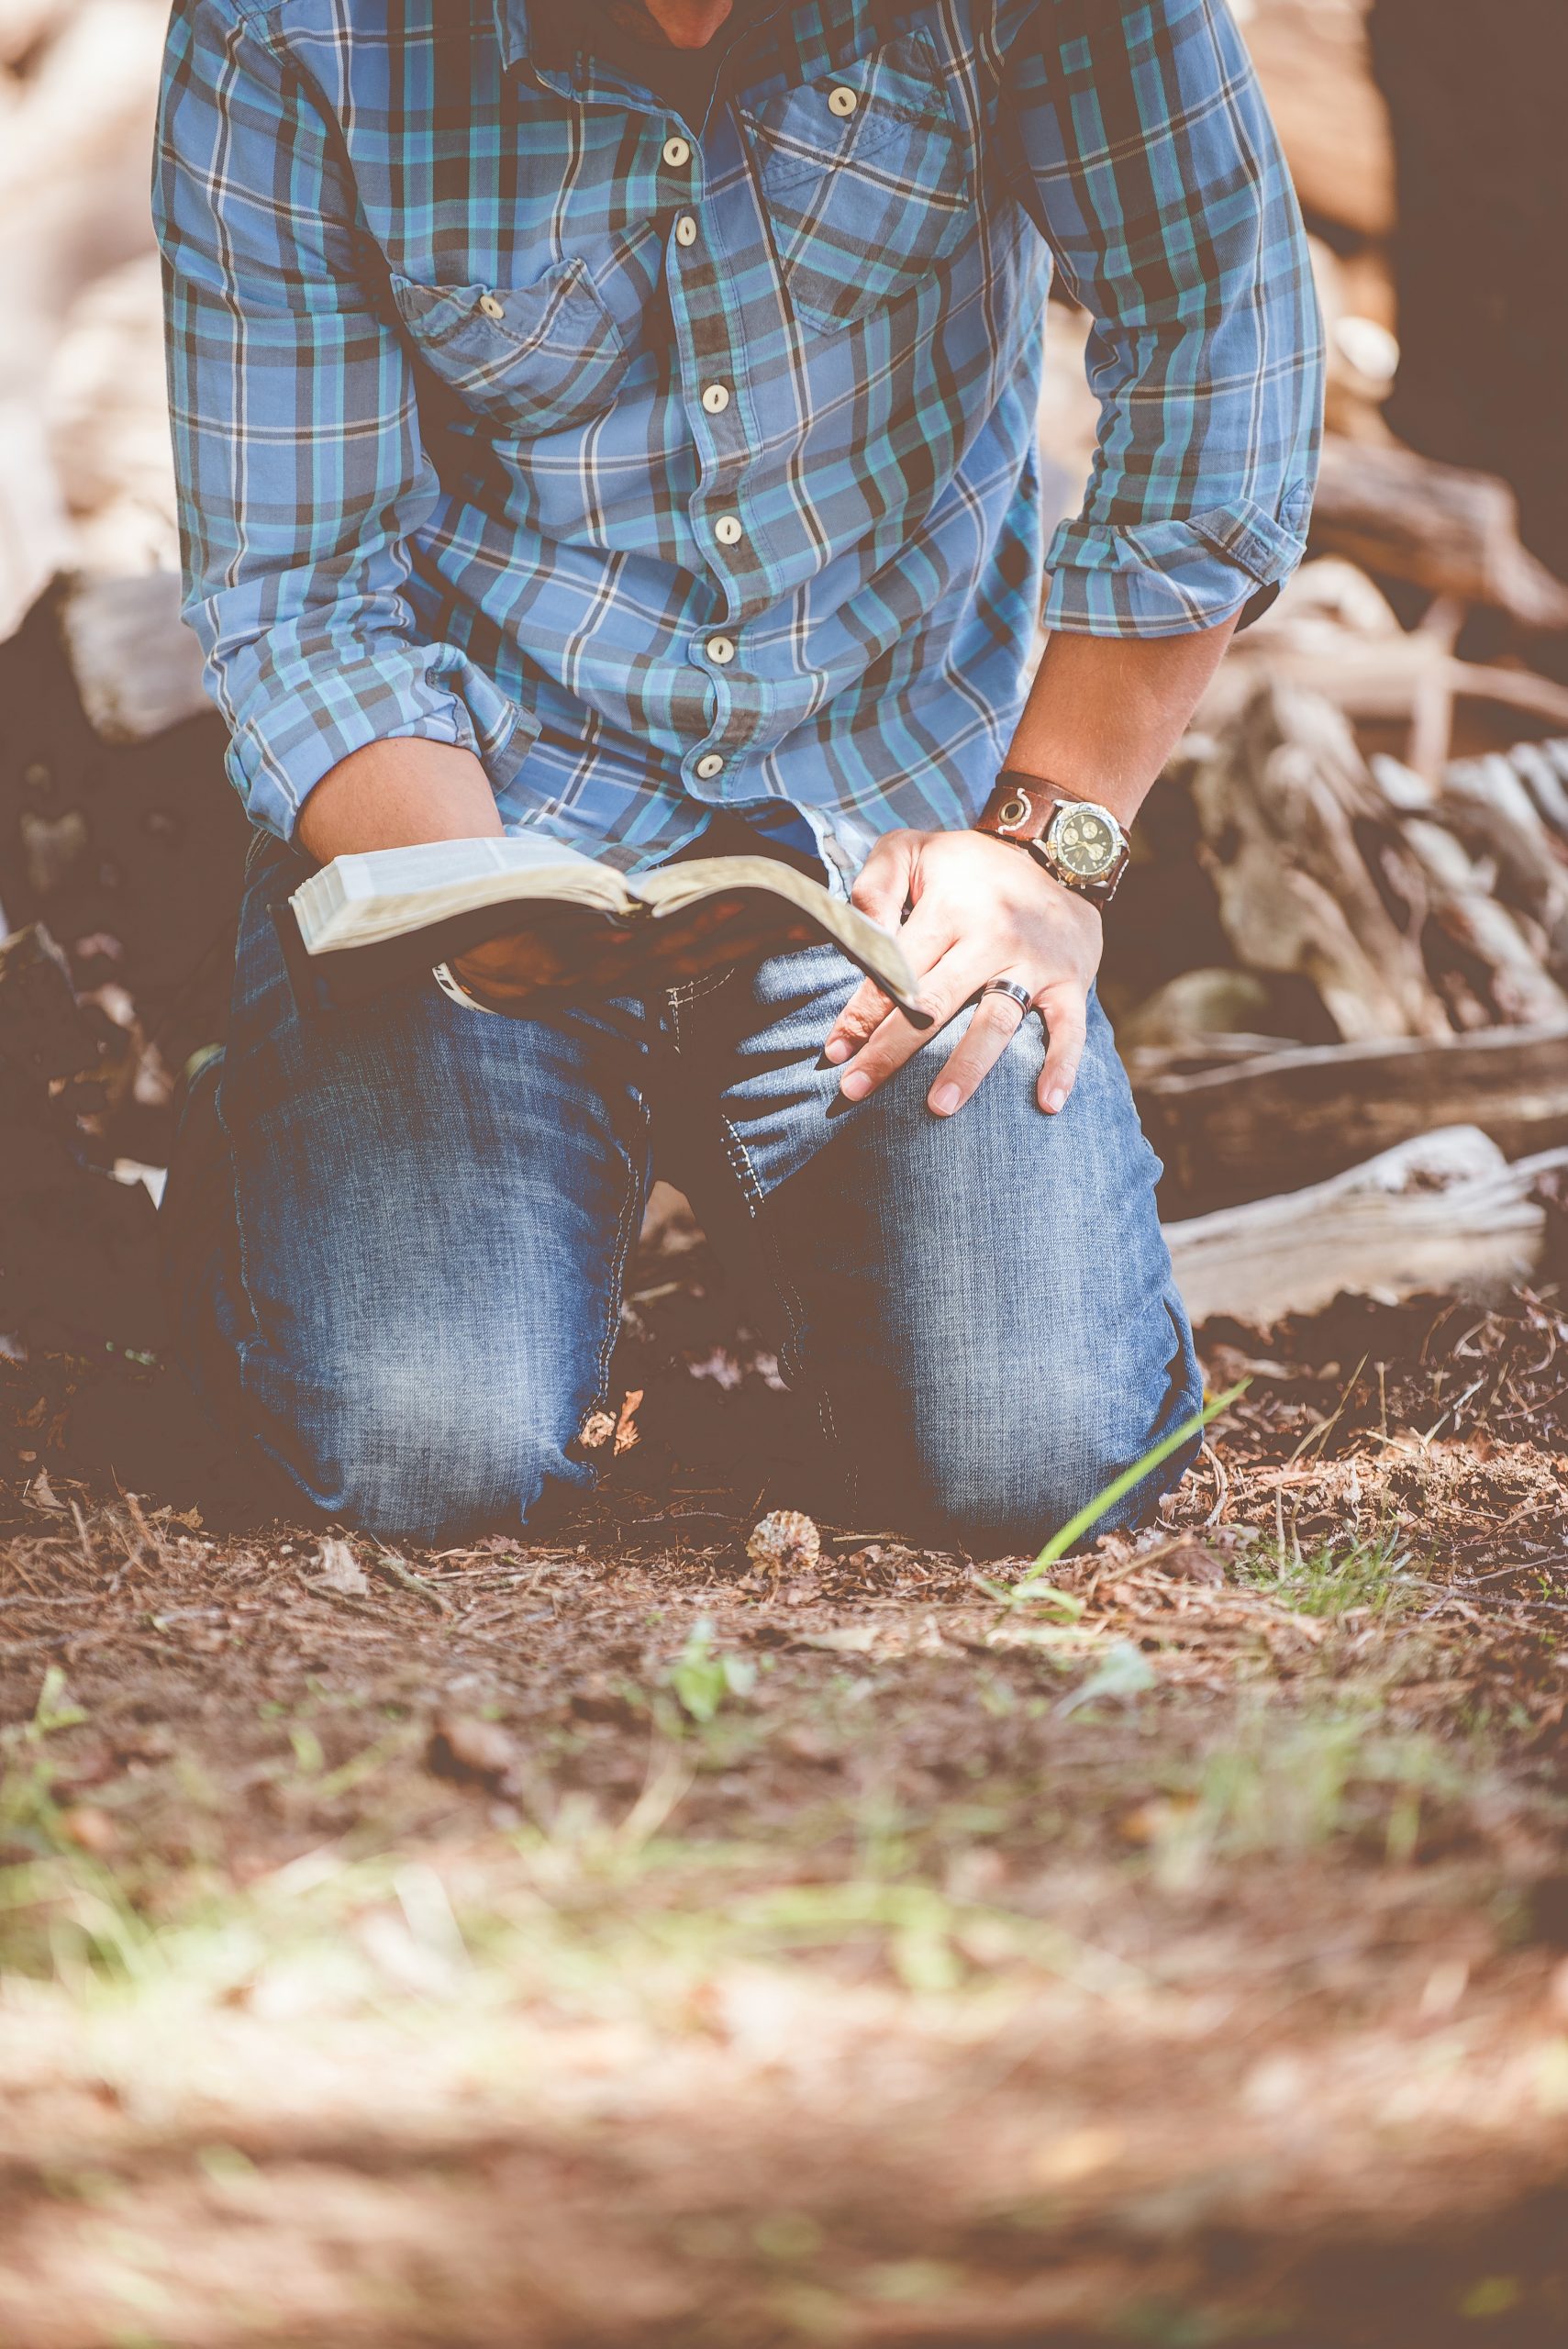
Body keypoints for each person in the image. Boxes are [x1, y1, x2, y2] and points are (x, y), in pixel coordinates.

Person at [153, 0, 1322, 1545]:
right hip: (479, 810)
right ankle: (272, 1158)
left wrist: (1043, 848)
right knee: (424, 1455)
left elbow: (1220, 355)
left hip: (898, 837)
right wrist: (461, 890)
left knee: (1042, 1462)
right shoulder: (288, 27)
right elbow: (302, 588)